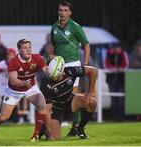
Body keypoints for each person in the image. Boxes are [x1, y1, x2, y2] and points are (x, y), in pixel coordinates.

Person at [0, 39, 49, 143]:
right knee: (3, 117)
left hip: (31, 88)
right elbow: (13, 81)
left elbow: (46, 70)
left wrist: (52, 70)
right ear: (19, 50)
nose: (28, 50)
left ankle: (36, 135)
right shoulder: (13, 62)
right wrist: (24, 83)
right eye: (25, 48)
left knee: (42, 105)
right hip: (14, 91)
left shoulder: (37, 58)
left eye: (29, 47)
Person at [50, 1, 91, 136]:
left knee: (72, 97)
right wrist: (52, 56)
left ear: (70, 13)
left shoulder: (75, 27)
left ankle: (76, 127)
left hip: (72, 64)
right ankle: (52, 126)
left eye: (65, 10)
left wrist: (84, 64)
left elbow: (86, 45)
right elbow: (52, 45)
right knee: (55, 96)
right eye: (60, 10)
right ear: (57, 11)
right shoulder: (54, 27)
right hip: (59, 67)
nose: (62, 13)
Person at [39, 57, 97, 140]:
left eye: (56, 77)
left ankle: (80, 129)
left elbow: (93, 71)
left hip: (70, 101)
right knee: (54, 138)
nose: (53, 79)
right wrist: (50, 134)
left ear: (62, 72)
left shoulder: (70, 71)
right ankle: (44, 129)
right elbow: (47, 110)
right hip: (55, 109)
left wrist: (90, 92)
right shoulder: (45, 84)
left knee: (92, 103)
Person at [0, 48, 28, 122]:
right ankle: (2, 119)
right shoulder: (3, 63)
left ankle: (17, 119)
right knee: (5, 103)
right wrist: (3, 69)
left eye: (12, 55)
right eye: (9, 55)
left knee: (16, 103)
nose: (10, 57)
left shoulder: (18, 63)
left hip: (14, 86)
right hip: (4, 86)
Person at [105, 46, 129, 121]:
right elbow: (106, 65)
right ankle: (115, 117)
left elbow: (126, 64)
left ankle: (121, 117)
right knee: (113, 99)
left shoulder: (123, 53)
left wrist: (119, 69)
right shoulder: (108, 53)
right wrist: (114, 69)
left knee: (120, 99)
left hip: (121, 80)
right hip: (111, 79)